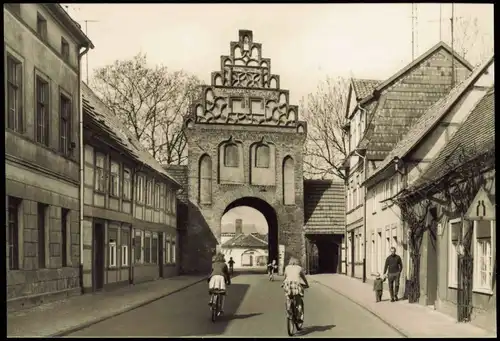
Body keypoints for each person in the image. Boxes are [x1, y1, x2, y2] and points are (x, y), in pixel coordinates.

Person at [282, 257, 309, 322]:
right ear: (297, 262)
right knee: (298, 300)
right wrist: (307, 284)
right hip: (296, 285)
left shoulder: (287, 267)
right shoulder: (299, 268)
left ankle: (288, 308)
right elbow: (303, 277)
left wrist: (284, 283)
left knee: (288, 297)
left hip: (288, 284)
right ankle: (299, 317)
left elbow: (285, 277)